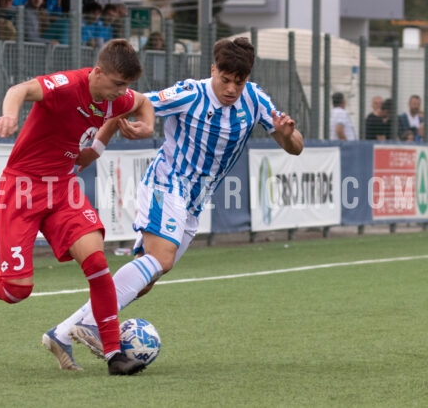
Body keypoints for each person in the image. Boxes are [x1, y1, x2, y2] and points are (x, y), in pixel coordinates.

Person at [41, 36, 304, 370]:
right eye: (225, 80)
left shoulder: (255, 100)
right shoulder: (189, 93)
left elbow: (296, 146)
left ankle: (62, 333)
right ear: (213, 70)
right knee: (160, 259)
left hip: (194, 202)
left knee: (146, 280)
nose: (231, 89)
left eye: (239, 82)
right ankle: (92, 326)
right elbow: (127, 103)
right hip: (166, 184)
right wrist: (95, 150)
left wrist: (285, 133)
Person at [0, 39, 156, 376]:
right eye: (118, 84)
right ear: (99, 72)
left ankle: (114, 355)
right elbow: (20, 89)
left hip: (62, 189)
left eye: (126, 86)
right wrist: (9, 114)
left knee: (97, 264)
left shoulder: (115, 97)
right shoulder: (66, 86)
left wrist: (145, 126)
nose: (122, 92)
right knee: (16, 289)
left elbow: (142, 103)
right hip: (22, 187)